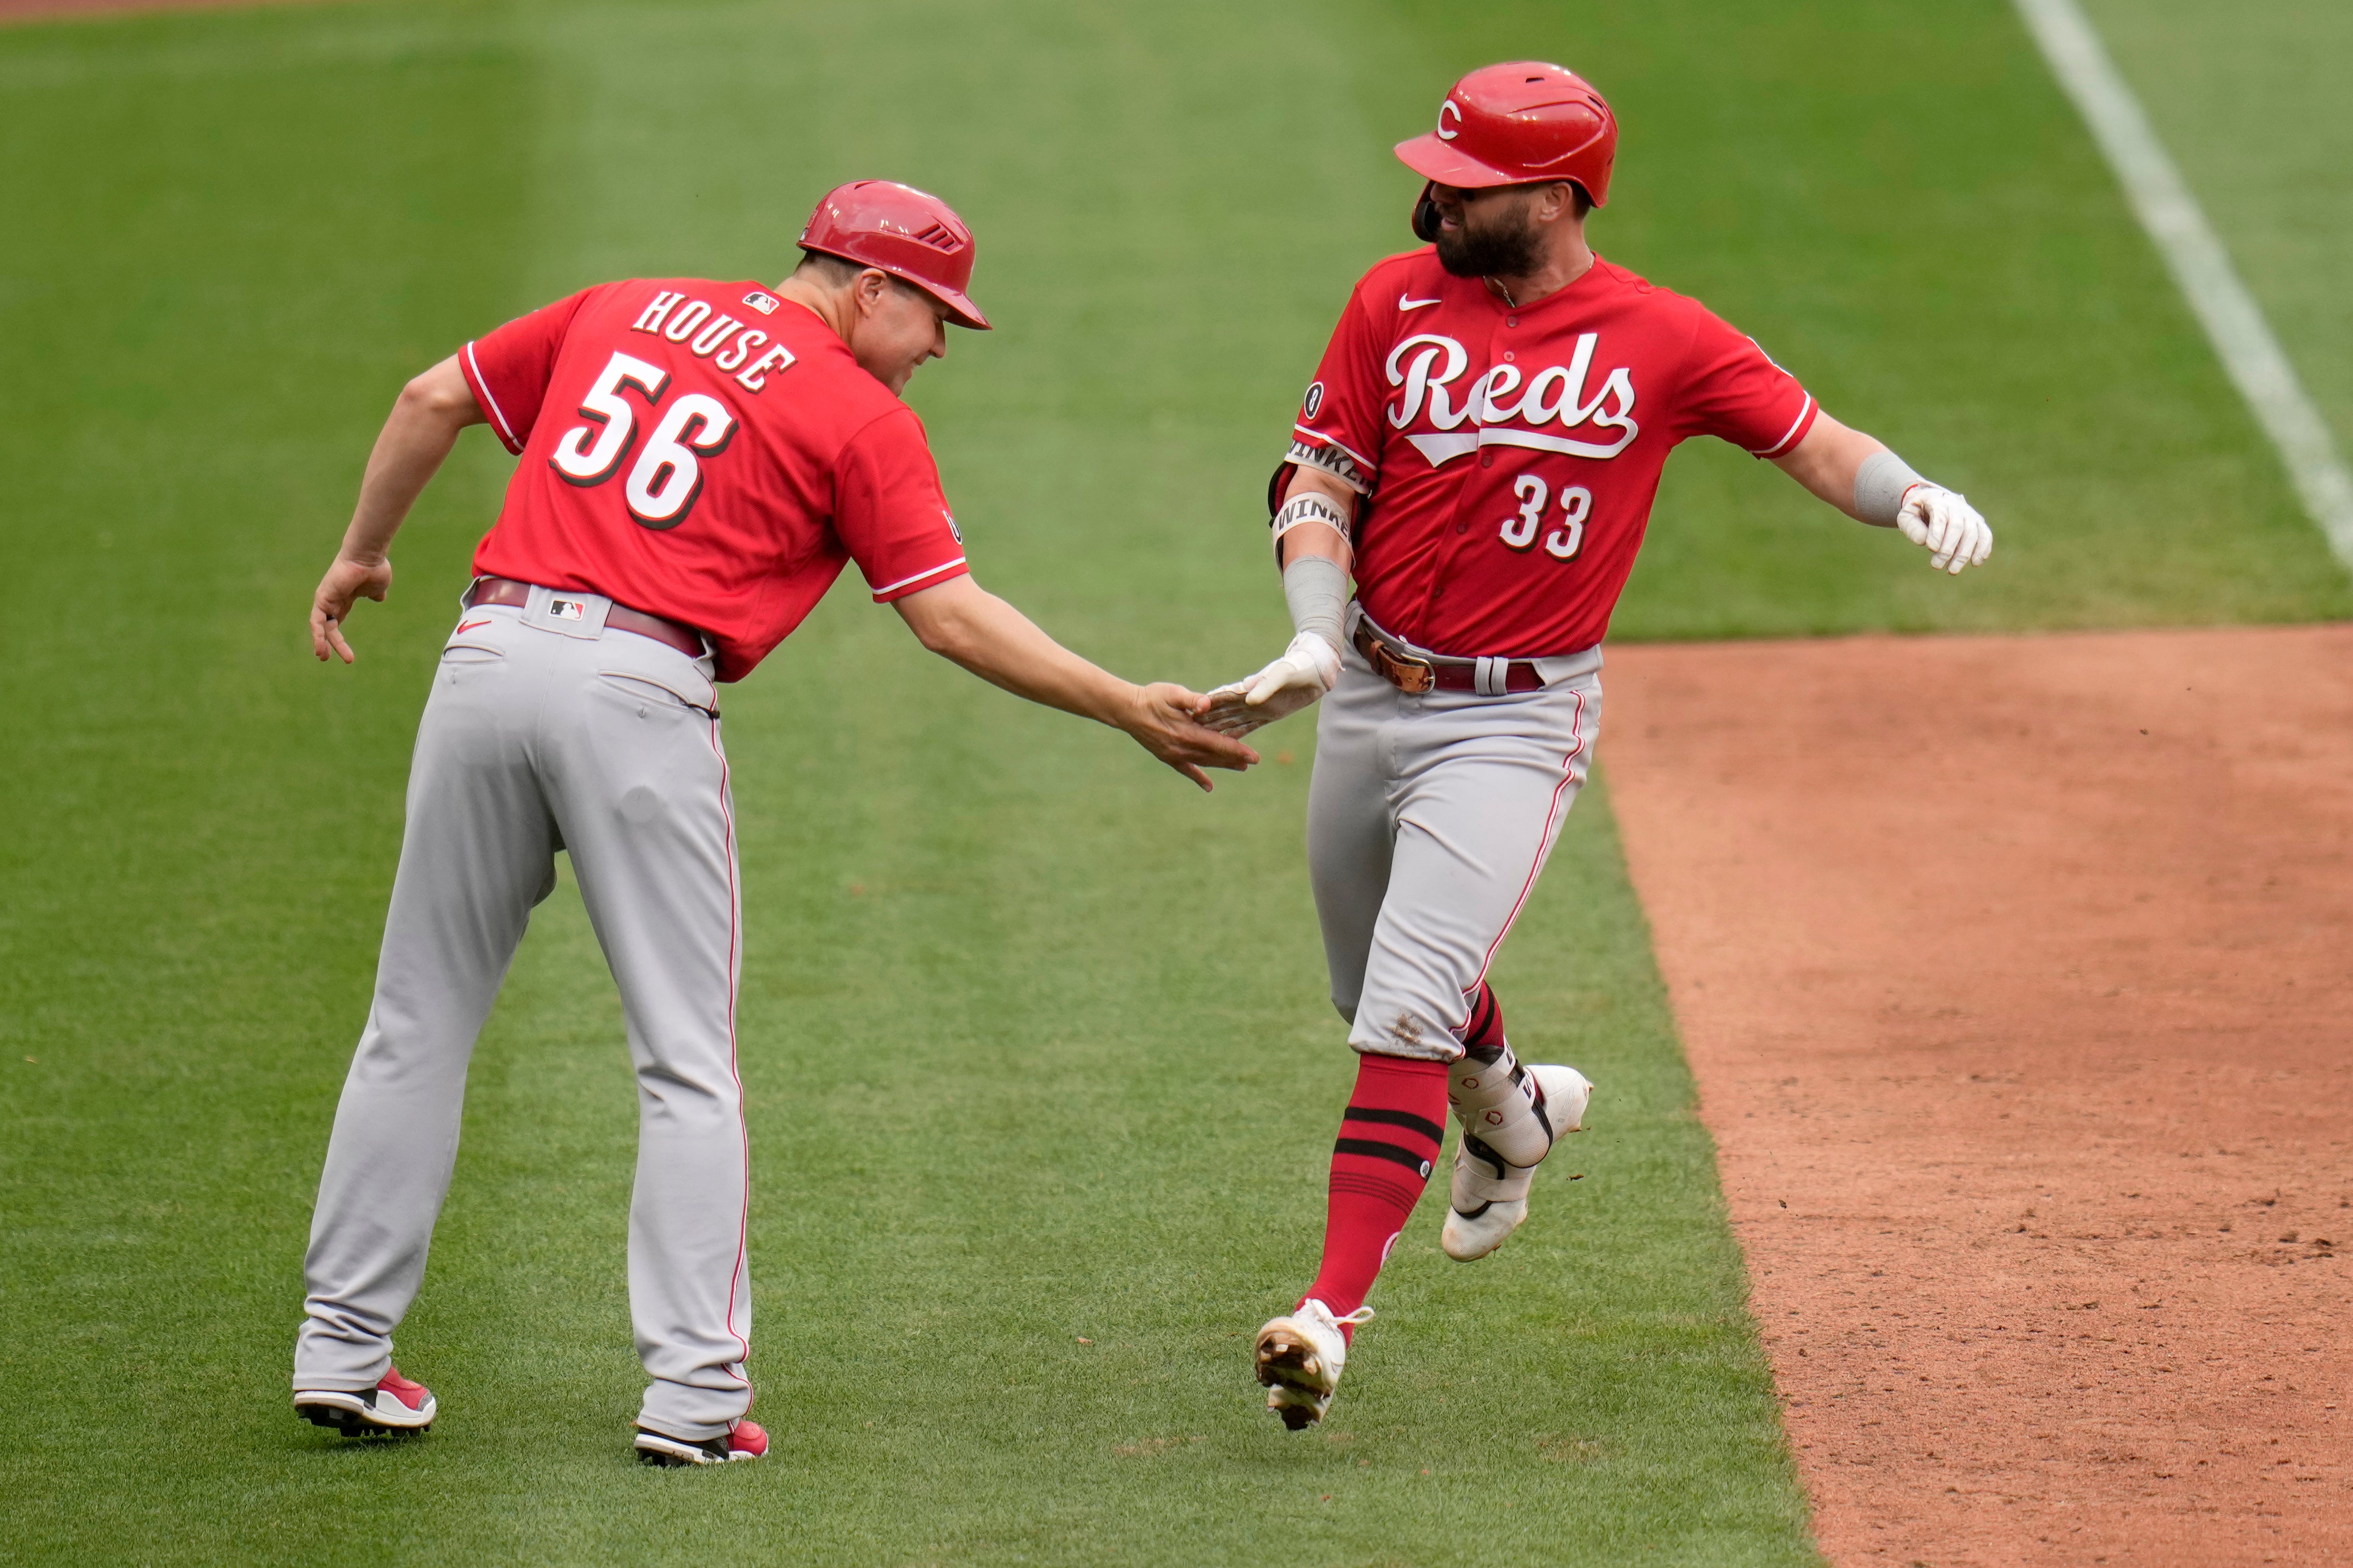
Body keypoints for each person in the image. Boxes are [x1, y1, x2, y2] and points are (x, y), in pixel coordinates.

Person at [293, 180, 1257, 1465]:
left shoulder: (628, 303)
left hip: (483, 658)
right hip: (637, 692)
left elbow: (432, 398)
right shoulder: (855, 413)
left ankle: (341, 1352)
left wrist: (362, 550)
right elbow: (950, 615)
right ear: (870, 288)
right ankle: (691, 1396)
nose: (935, 352)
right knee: (687, 1060)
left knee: (413, 1022)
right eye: (933, 322)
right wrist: (1125, 703)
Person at [1206, 63, 1992, 1430]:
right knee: (1378, 983)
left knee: (1402, 1005)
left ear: (1555, 196)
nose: (1427, 200)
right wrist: (1312, 638)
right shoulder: (1389, 305)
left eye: (1461, 183)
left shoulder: (1663, 337)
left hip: (1515, 716)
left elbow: (1808, 441)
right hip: (1369, 689)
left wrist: (1909, 492)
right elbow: (1320, 476)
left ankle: (1325, 1312)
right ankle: (1512, 1114)